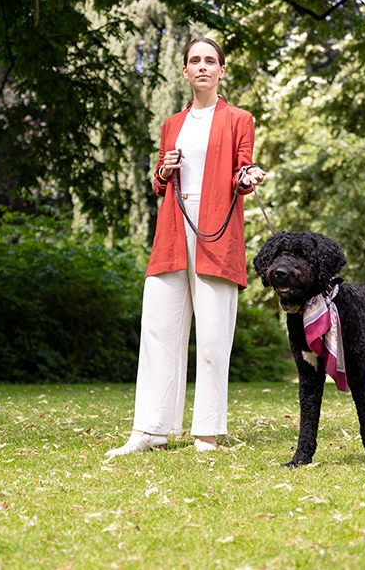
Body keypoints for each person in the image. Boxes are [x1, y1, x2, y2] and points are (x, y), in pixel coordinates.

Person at [106, 37, 265, 456]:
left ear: (221, 70)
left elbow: (241, 168)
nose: (202, 67)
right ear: (185, 70)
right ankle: (150, 430)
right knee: (158, 329)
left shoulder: (239, 119)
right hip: (174, 232)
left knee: (213, 337)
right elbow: (160, 183)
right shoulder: (172, 124)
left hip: (218, 233)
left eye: (210, 61)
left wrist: (248, 175)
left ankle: (207, 434)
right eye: (194, 60)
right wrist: (163, 169)